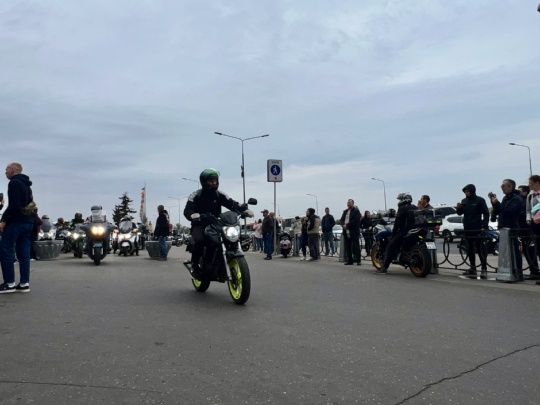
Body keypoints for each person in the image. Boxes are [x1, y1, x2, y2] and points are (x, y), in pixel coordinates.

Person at [184, 169, 246, 276]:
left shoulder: (219, 194)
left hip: (216, 224)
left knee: (228, 238)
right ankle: (194, 265)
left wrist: (244, 210)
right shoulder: (196, 195)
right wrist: (192, 215)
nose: (213, 183)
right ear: (204, 181)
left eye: (215, 180)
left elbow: (232, 203)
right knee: (199, 240)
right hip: (200, 224)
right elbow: (188, 209)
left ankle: (219, 262)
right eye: (210, 181)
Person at [0, 162, 34, 293]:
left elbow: (14, 205)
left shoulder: (14, 182)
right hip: (28, 222)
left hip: (16, 222)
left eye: (7, 169)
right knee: (24, 251)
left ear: (13, 170)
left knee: (6, 249)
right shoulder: (27, 184)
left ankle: (9, 284)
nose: (5, 172)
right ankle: (24, 283)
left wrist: (4, 220)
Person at [374, 193, 417, 274]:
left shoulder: (402, 208)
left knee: (390, 248)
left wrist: (393, 234)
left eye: (400, 199)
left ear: (403, 200)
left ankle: (384, 268)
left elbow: (397, 223)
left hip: (404, 231)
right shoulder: (415, 207)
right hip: (414, 230)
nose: (399, 201)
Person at [490, 179, 523, 281]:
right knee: (505, 252)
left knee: (514, 251)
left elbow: (509, 211)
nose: (502, 188)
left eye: (504, 186)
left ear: (510, 187)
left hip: (512, 228)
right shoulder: (506, 198)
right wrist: (494, 204)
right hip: (503, 228)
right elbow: (500, 211)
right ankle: (507, 272)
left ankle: (518, 273)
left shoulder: (516, 198)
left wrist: (498, 203)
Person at [455, 184, 490, 277]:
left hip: (477, 228)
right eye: (465, 191)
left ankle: (484, 268)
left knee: (480, 249)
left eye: (468, 191)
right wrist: (458, 208)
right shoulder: (464, 201)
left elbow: (486, 213)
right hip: (467, 228)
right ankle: (472, 268)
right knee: (469, 249)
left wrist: (484, 225)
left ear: (472, 191)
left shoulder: (480, 200)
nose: (466, 193)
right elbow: (460, 213)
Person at [518, 184, 539, 279]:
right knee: (528, 252)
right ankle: (533, 271)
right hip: (523, 229)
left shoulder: (530, 199)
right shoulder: (523, 200)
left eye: (520, 191)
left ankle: (535, 271)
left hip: (530, 229)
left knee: (532, 251)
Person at [526, 175, 540, 280]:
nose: (529, 185)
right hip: (534, 224)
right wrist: (528, 219)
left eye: (531, 183)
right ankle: (535, 272)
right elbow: (528, 209)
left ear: (537, 183)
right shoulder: (530, 195)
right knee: (535, 248)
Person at [340, 199, 361, 266]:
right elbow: (341, 219)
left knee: (356, 246)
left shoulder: (356, 211)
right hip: (346, 231)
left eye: (349, 203)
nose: (348, 204)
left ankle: (358, 260)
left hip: (353, 231)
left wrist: (347, 225)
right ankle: (350, 260)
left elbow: (355, 220)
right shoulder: (345, 211)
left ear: (352, 203)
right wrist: (343, 225)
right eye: (347, 203)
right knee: (348, 246)